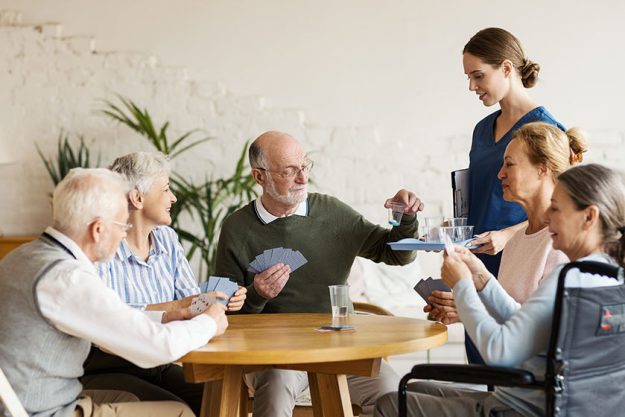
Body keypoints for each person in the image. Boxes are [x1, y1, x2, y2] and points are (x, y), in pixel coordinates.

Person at [374, 163, 625, 417]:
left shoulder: (567, 279)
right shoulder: (610, 278)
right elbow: (526, 323)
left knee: (390, 403)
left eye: (556, 208)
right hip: (558, 406)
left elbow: (500, 350)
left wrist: (462, 286)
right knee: (417, 387)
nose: (548, 217)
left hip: (519, 409)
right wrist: (482, 278)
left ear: (589, 217)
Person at [214, 130, 424, 417]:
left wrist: (406, 217)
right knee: (277, 386)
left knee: (396, 394)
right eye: (290, 171)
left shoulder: (332, 213)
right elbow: (222, 313)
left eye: (304, 166)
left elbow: (397, 254)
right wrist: (256, 295)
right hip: (274, 357)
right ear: (259, 177)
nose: (302, 178)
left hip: (340, 348)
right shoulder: (236, 228)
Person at [0, 168, 228, 417]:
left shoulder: (22, 256)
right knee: (179, 413)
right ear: (97, 230)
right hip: (47, 411)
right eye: (122, 225)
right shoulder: (67, 278)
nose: (123, 234)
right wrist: (209, 322)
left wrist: (164, 317)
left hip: (31, 399)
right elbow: (157, 347)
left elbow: (108, 316)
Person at [81, 152, 246, 415]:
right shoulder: (103, 247)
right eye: (167, 189)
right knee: (180, 409)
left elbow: (192, 302)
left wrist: (219, 299)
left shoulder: (167, 239)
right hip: (111, 367)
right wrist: (178, 307)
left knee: (221, 396)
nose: (174, 198)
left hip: (161, 362)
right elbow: (109, 321)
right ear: (137, 198)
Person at [461, 27, 566, 363]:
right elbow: (477, 193)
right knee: (482, 369)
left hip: (520, 263)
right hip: (477, 260)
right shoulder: (482, 129)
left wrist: (507, 235)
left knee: (515, 367)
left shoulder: (546, 130)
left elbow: (560, 208)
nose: (471, 86)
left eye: (478, 76)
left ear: (507, 69)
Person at [426, 121, 588, 324]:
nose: (500, 174)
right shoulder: (517, 240)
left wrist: (469, 307)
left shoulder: (562, 242)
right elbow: (509, 317)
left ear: (542, 169)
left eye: (509, 164)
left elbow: (543, 327)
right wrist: (463, 310)